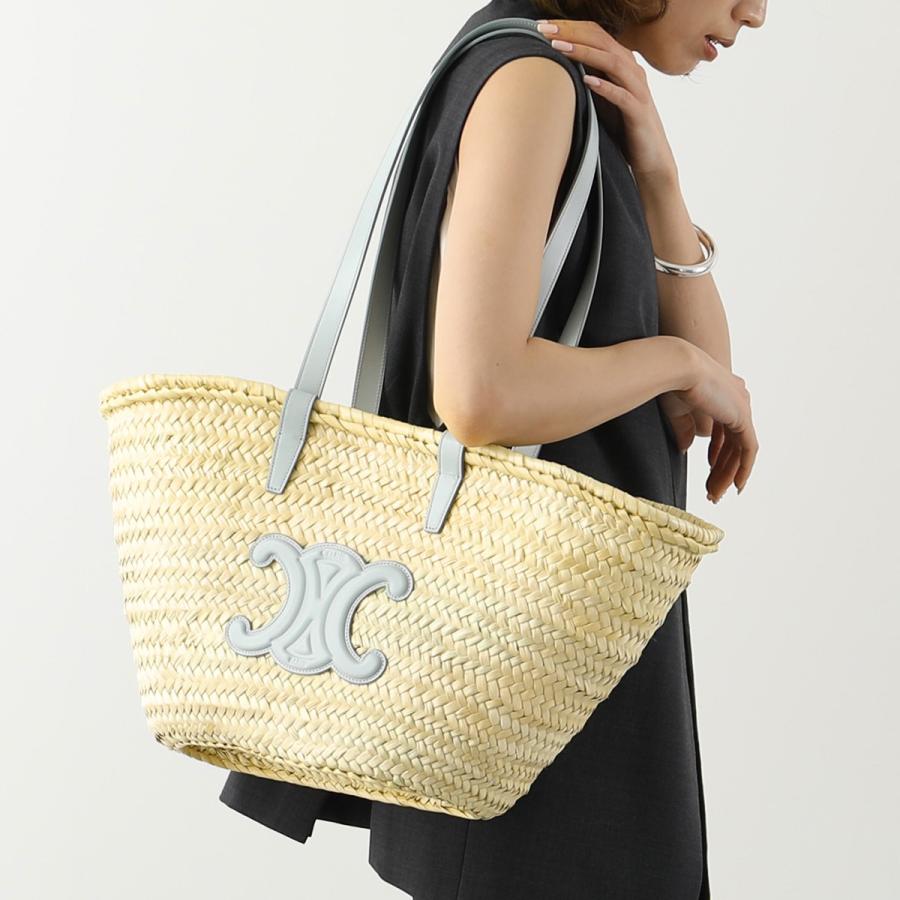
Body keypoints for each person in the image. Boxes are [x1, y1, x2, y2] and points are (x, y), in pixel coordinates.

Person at [219, 1, 764, 897]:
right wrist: (675, 364)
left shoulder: (575, 86)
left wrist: (660, 178)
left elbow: (706, 400)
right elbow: (480, 394)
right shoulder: (531, 77)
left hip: (557, 669)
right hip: (526, 689)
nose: (756, 12)